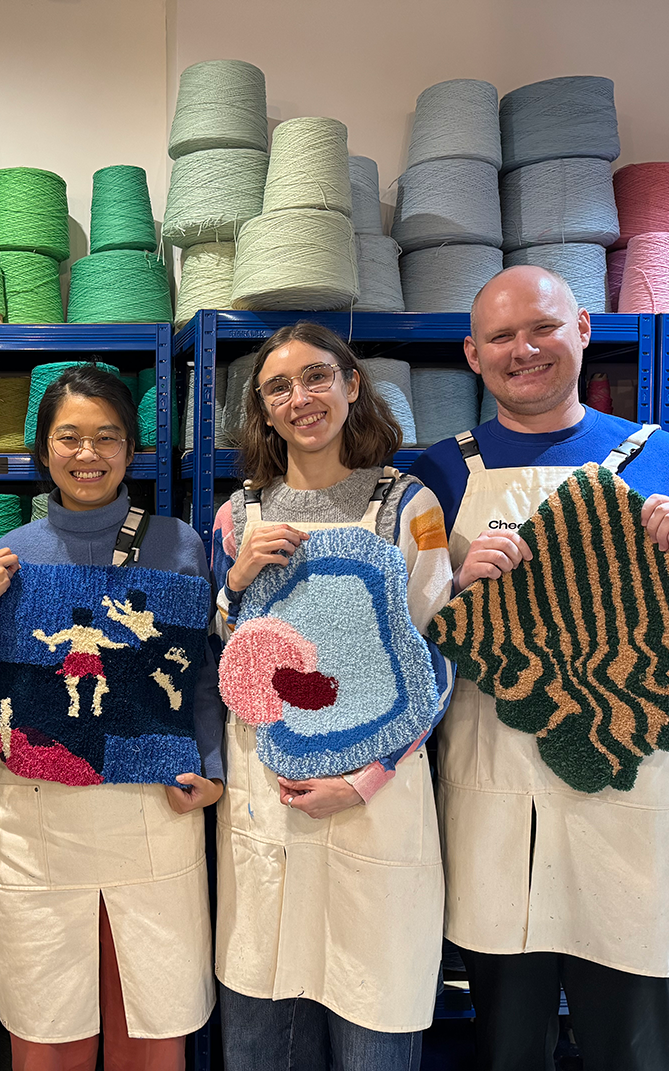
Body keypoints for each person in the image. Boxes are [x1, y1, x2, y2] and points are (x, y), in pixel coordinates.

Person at [410, 265, 669, 1071]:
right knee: (506, 1046)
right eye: (501, 336)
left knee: (633, 1049)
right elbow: (402, 639)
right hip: (495, 804)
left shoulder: (663, 461)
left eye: (543, 328)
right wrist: (456, 588)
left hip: (633, 811)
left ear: (585, 332)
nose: (523, 350)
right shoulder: (441, 475)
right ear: (472, 353)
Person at [0, 364, 220, 1071]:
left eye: (106, 436)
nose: (87, 453)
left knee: (152, 1030)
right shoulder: (11, 556)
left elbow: (195, 676)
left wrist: (212, 767)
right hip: (34, 819)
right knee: (48, 1035)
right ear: (43, 451)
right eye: (69, 436)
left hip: (152, 815)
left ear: (132, 450)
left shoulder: (179, 544)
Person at [210, 321, 454, 1071]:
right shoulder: (237, 515)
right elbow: (225, 656)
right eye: (278, 386)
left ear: (353, 384)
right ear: (262, 408)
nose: (300, 398)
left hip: (375, 798)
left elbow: (437, 658)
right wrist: (235, 583)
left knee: (371, 1025)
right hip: (267, 787)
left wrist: (366, 776)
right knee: (263, 1020)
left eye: (317, 376)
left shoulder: (409, 506)